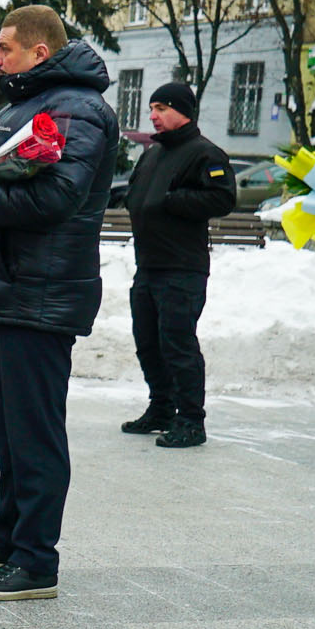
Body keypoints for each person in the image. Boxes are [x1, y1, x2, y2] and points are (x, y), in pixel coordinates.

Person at [0, 6, 118, 602]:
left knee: (35, 430)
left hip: (42, 290)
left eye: (7, 48)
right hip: (15, 286)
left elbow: (58, 198)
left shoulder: (76, 108)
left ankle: (37, 559)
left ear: (41, 52)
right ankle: (10, 537)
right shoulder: (32, 101)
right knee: (12, 427)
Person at [114, 81, 235, 448]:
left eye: (162, 108)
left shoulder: (205, 154)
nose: (153, 115)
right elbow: (139, 193)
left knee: (177, 344)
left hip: (182, 268)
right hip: (149, 265)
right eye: (152, 108)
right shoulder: (152, 154)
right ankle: (162, 407)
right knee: (147, 342)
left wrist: (172, 201)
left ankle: (191, 420)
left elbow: (223, 197)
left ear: (184, 111)